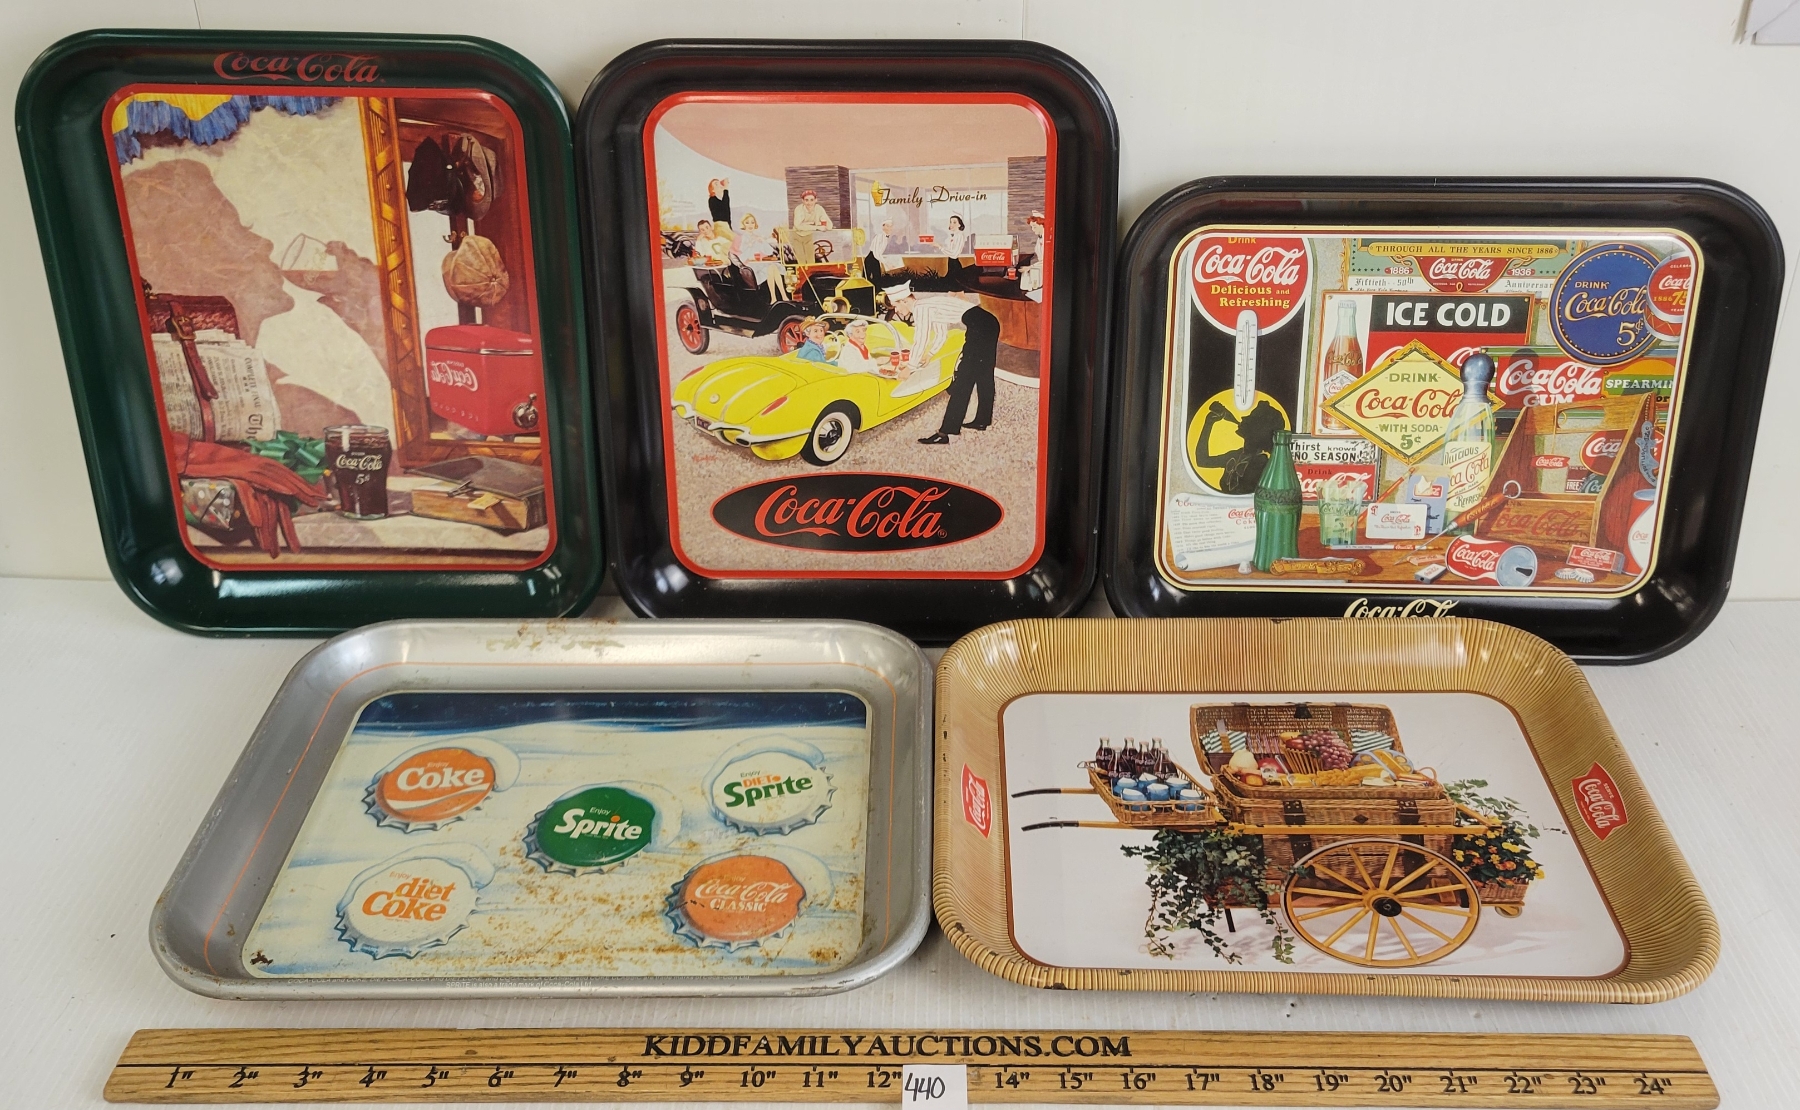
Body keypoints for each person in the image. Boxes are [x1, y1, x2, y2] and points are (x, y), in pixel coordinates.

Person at [885, 282, 1000, 442]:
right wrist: (930, 354)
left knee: (964, 379)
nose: (896, 310)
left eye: (896, 306)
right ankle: (982, 420)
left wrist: (909, 368)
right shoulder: (928, 306)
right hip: (988, 323)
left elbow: (921, 340)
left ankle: (947, 432)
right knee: (984, 374)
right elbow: (941, 334)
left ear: (904, 301)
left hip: (980, 327)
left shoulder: (921, 309)